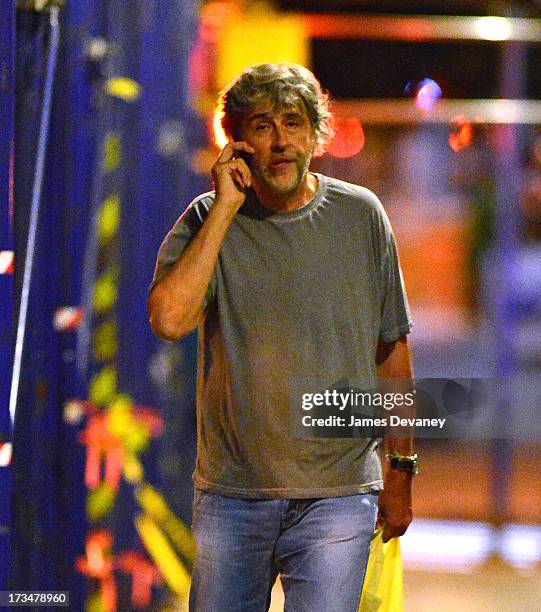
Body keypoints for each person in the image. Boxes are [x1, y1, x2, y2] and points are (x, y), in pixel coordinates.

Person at [148, 63, 416, 612]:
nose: (280, 142)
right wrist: (224, 207)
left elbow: (390, 351)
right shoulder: (207, 219)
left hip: (339, 494)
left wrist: (402, 469)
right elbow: (169, 321)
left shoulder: (361, 216)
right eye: (262, 126)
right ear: (237, 141)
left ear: (315, 135)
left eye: (293, 124)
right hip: (232, 494)